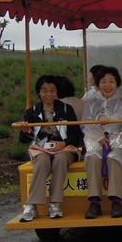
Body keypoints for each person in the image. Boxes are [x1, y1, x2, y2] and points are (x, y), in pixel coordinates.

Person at [17, 75, 82, 222]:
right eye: (45, 90)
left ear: (57, 92)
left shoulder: (66, 109)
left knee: (60, 160)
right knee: (42, 161)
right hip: (42, 150)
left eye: (52, 90)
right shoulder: (32, 111)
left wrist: (63, 144)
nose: (48, 94)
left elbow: (75, 134)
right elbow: (23, 140)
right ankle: (32, 204)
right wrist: (26, 131)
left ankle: (55, 203)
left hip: (65, 149)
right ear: (39, 93)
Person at [81, 66, 122, 219]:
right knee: (93, 158)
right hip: (95, 141)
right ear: (97, 84)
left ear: (117, 83)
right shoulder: (90, 103)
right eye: (103, 81)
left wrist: (108, 123)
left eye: (111, 81)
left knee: (114, 158)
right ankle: (94, 202)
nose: (107, 85)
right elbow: (85, 123)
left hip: (118, 141)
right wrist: (99, 136)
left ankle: (116, 201)